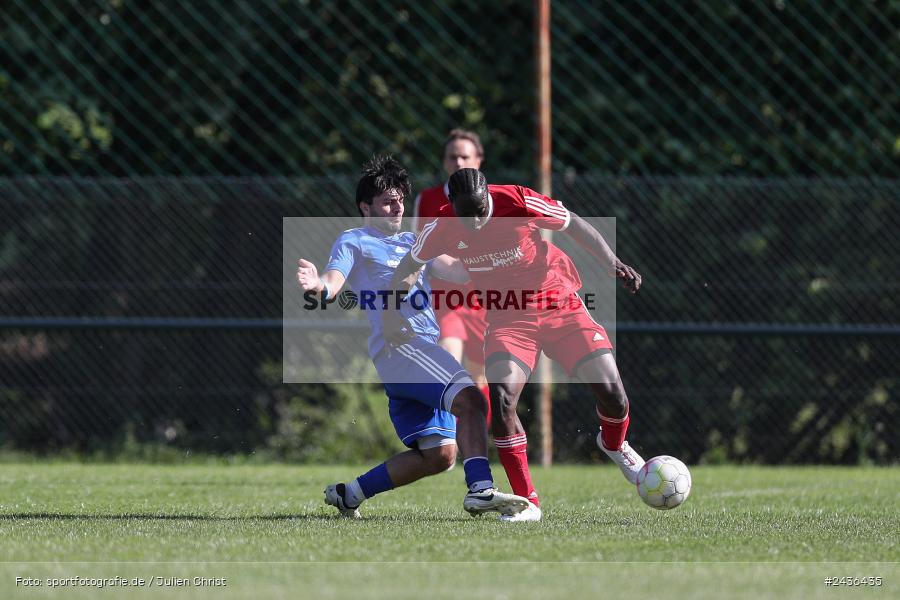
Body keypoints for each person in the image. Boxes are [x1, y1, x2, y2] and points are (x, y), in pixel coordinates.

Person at [386, 168, 646, 522]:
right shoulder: (442, 225)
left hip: (558, 302)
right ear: (452, 207)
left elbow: (574, 223)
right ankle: (528, 502)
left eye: (480, 210)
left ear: (488, 197)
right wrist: (391, 312)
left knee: (612, 392)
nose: (476, 221)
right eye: (467, 214)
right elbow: (408, 266)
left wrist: (613, 263)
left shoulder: (517, 200)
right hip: (509, 318)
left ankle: (614, 443)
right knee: (503, 400)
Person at [296, 156, 528, 519]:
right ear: (365, 207)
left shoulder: (413, 241)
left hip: (420, 352)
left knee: (440, 455)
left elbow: (459, 272)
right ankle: (481, 489)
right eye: (388, 200)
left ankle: (350, 494)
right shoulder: (354, 240)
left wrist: (502, 255)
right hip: (402, 348)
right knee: (472, 400)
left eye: (401, 199)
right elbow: (332, 282)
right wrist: (317, 287)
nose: (397, 206)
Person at [412, 129, 490, 423]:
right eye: (452, 157)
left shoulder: (493, 200)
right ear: (445, 162)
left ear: (478, 160)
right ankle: (445, 440)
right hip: (448, 299)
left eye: (465, 156)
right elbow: (421, 248)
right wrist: (456, 268)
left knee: (479, 379)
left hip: (488, 302)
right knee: (448, 363)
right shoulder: (429, 199)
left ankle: (474, 443)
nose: (459, 162)